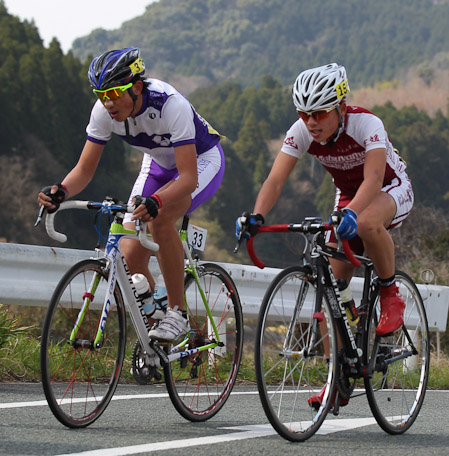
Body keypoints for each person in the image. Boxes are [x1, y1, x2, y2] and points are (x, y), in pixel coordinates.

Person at [235, 62, 414, 407]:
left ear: (341, 107)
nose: (311, 122)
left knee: (365, 224)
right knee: (332, 286)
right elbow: (275, 180)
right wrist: (257, 215)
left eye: (319, 113)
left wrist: (351, 213)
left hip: (390, 188)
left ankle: (391, 293)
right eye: (304, 114)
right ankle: (339, 376)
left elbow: (375, 179)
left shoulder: (367, 124)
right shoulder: (302, 131)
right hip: (347, 196)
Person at [37, 47, 225, 342]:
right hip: (158, 165)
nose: (107, 102)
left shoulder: (169, 105)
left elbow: (188, 179)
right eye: (101, 94)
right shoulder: (103, 112)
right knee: (130, 249)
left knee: (160, 220)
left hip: (201, 162)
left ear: (136, 87)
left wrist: (157, 200)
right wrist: (61, 190)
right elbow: (85, 169)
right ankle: (157, 329)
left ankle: (177, 312)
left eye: (113, 94)